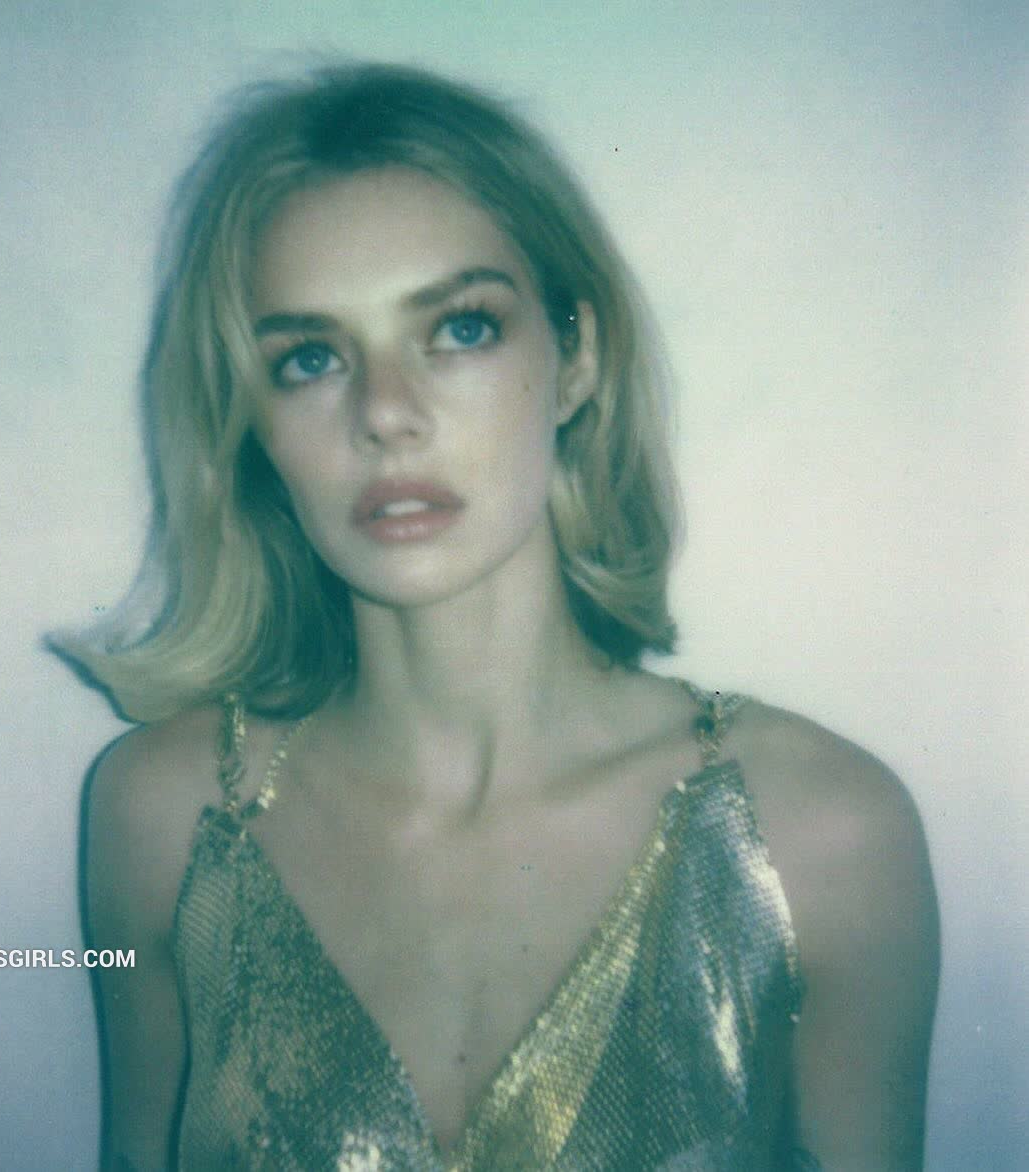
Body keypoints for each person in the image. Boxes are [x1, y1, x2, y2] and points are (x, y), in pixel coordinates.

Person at [61, 62, 939, 1170]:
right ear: (251, 422)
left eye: (461, 328)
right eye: (311, 358)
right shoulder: (162, 817)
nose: (386, 413)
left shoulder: (825, 835)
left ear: (576, 358)